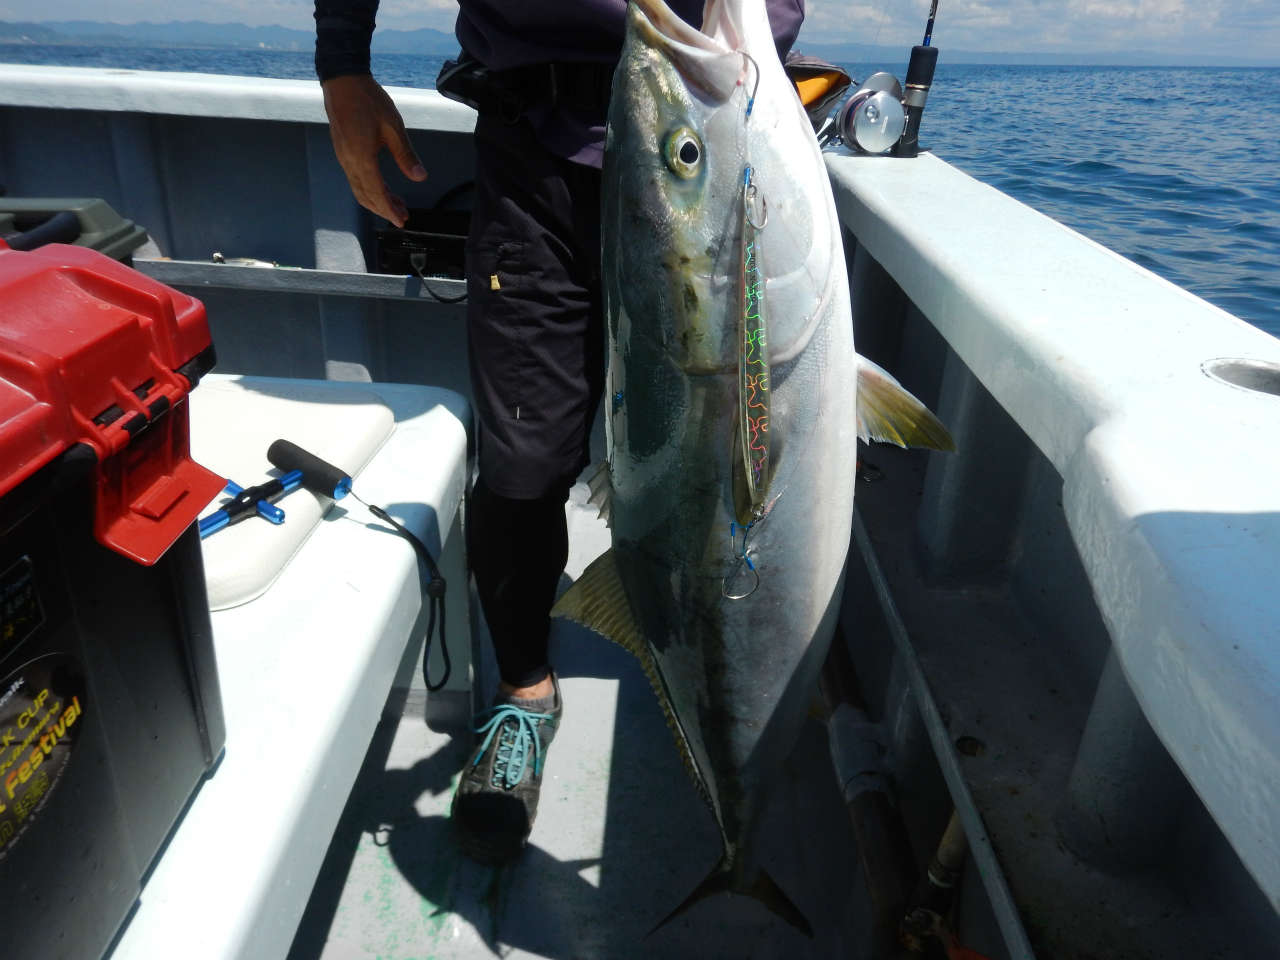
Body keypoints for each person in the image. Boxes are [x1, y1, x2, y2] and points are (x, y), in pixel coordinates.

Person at [315, 0, 804, 866]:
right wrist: (342, 66)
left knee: (742, 454)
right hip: (537, 148)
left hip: (728, 128)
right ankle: (524, 694)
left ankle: (739, 695)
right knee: (523, 460)